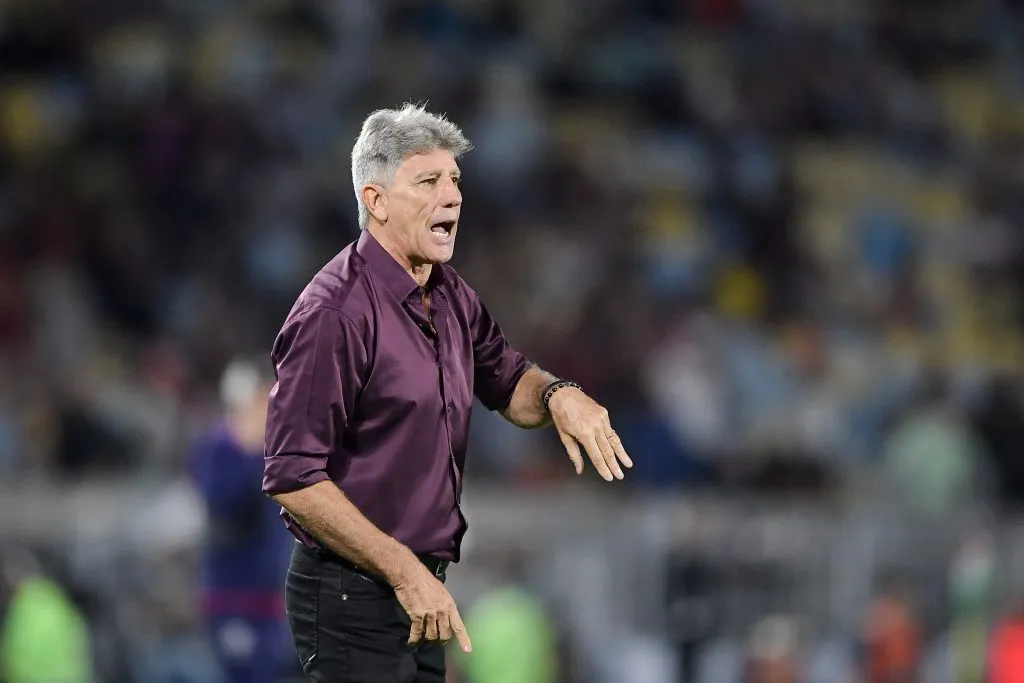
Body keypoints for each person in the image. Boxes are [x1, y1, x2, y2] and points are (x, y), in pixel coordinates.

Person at [262, 103, 633, 682]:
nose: (452, 196)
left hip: (419, 587)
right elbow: (292, 477)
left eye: (455, 180)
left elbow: (508, 382)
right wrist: (406, 574)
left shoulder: (449, 292)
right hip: (349, 592)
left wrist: (560, 393)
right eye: (428, 181)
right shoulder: (335, 313)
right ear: (375, 201)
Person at [191, 358, 294, 683]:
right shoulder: (219, 448)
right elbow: (225, 509)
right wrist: (249, 456)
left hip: (270, 596)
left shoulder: (274, 450)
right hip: (235, 595)